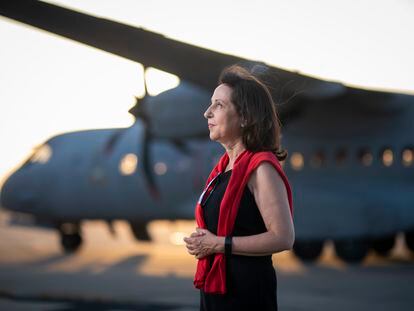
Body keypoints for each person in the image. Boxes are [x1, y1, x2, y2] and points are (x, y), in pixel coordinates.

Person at [183, 64, 295, 311]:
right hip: (216, 294)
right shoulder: (222, 169)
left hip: (245, 296)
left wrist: (218, 244)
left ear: (245, 117)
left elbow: (283, 237)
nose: (207, 113)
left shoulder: (261, 168)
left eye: (219, 105)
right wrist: (203, 242)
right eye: (211, 103)